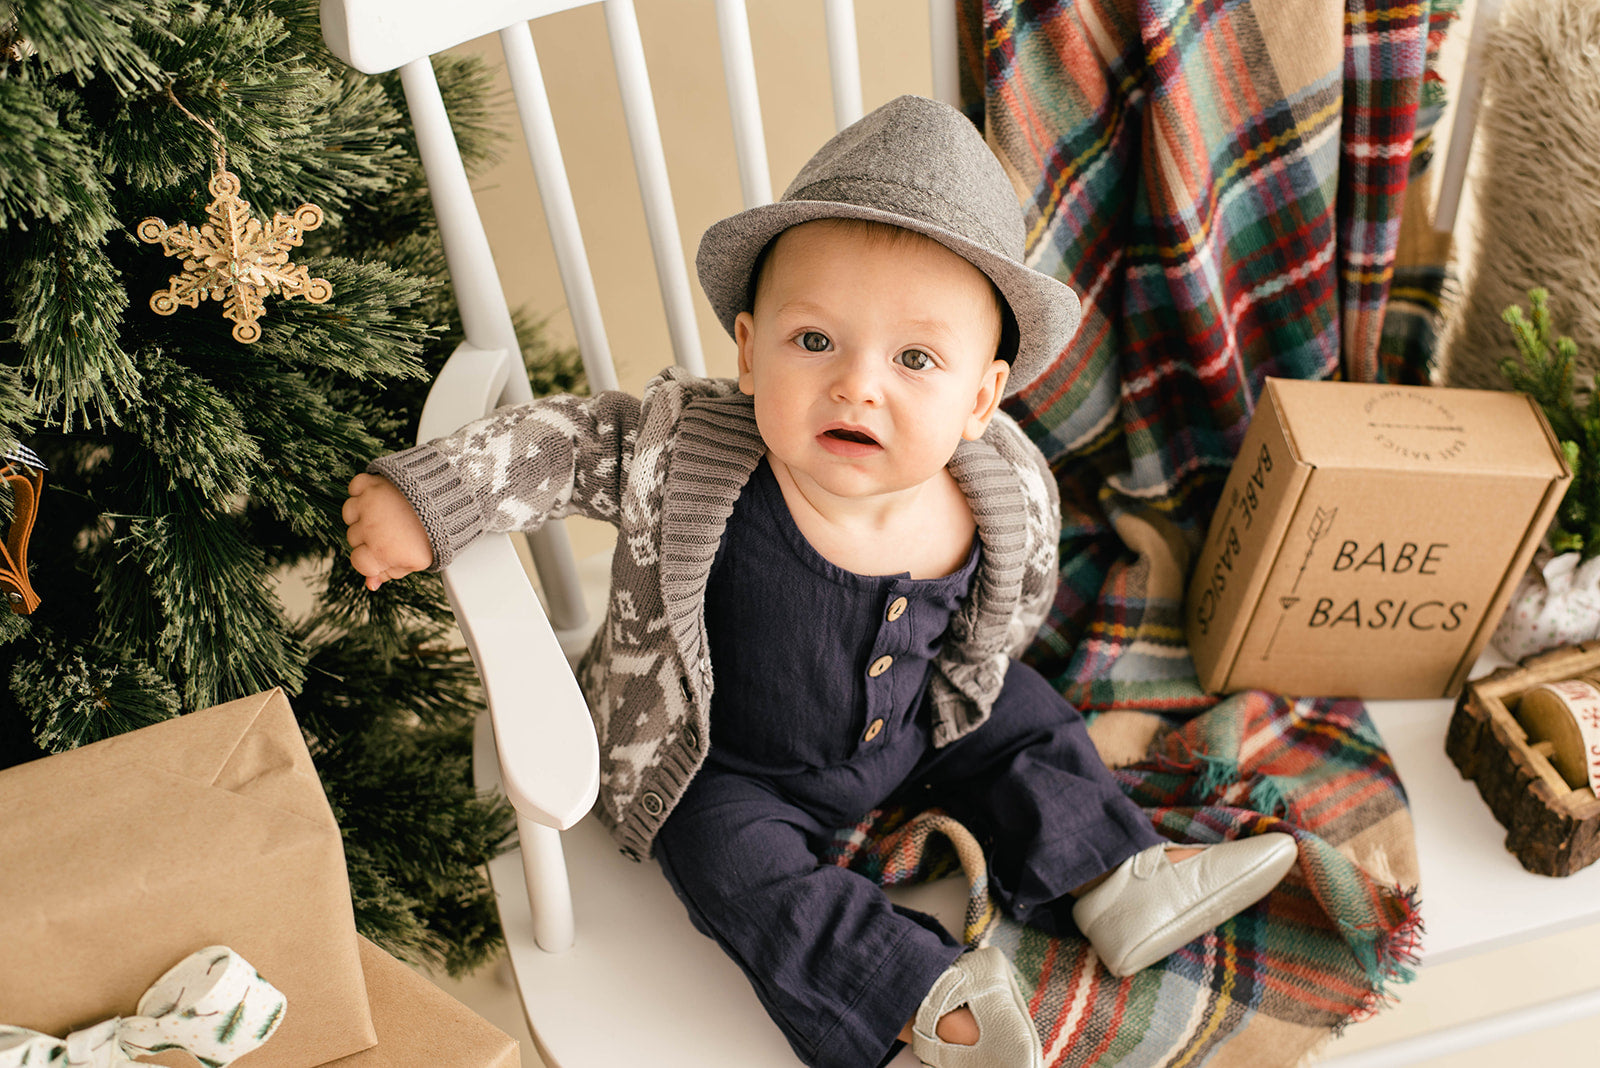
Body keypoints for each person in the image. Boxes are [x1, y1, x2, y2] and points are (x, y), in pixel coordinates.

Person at [343, 95, 1296, 1068]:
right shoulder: (692, 451)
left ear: (979, 400)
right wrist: (436, 498)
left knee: (1025, 717)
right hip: (729, 765)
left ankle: (1117, 872)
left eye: (914, 357)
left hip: (921, 723)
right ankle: (912, 991)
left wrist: (987, 687)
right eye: (814, 341)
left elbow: (1003, 622)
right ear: (750, 351)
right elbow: (565, 446)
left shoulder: (999, 486)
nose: (857, 384)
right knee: (739, 873)